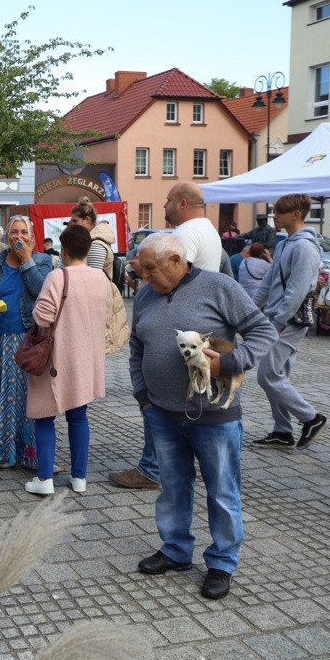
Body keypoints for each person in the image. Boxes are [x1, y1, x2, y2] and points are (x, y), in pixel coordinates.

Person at [130, 232, 275, 600]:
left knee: (222, 492)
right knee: (172, 487)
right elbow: (136, 348)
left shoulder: (219, 287)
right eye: (142, 268)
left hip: (214, 417)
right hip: (161, 414)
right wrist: (143, 397)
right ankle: (176, 550)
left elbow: (263, 331)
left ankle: (222, 562)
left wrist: (232, 362)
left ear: (176, 261)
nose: (144, 275)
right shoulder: (146, 295)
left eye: (151, 268)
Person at [109, 181, 224, 490]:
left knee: (159, 395)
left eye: (168, 200)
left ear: (183, 203)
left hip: (174, 325)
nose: (164, 206)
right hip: (194, 328)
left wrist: (142, 273)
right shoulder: (209, 230)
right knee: (180, 398)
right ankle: (163, 464)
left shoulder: (183, 235)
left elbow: (171, 276)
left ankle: (153, 468)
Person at [23, 224, 108, 496]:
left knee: (44, 415)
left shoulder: (58, 276)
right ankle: (79, 477)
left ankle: (45, 479)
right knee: (79, 416)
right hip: (86, 357)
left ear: (64, 250)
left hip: (56, 357)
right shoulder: (100, 277)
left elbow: (43, 317)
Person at [0, 215, 53, 469]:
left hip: (28, 339)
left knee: (28, 397)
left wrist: (26, 260)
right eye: (14, 232)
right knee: (2, 396)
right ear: (7, 236)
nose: (19, 236)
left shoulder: (42, 261)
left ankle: (29, 454)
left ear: (32, 237)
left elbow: (42, 292)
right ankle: (3, 452)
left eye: (24, 232)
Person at [251, 193, 327, 450]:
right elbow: (268, 282)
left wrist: (278, 323)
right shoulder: (285, 244)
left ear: (295, 214)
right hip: (280, 317)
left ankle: (312, 418)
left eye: (279, 212)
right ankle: (282, 432)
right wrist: (249, 311)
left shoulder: (305, 247)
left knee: (268, 375)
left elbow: (297, 292)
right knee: (279, 375)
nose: (275, 216)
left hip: (290, 320)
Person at [70, 197, 115, 275]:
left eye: (75, 221)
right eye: (71, 221)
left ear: (87, 220)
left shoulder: (96, 245)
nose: (72, 224)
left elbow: (94, 278)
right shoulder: (89, 241)